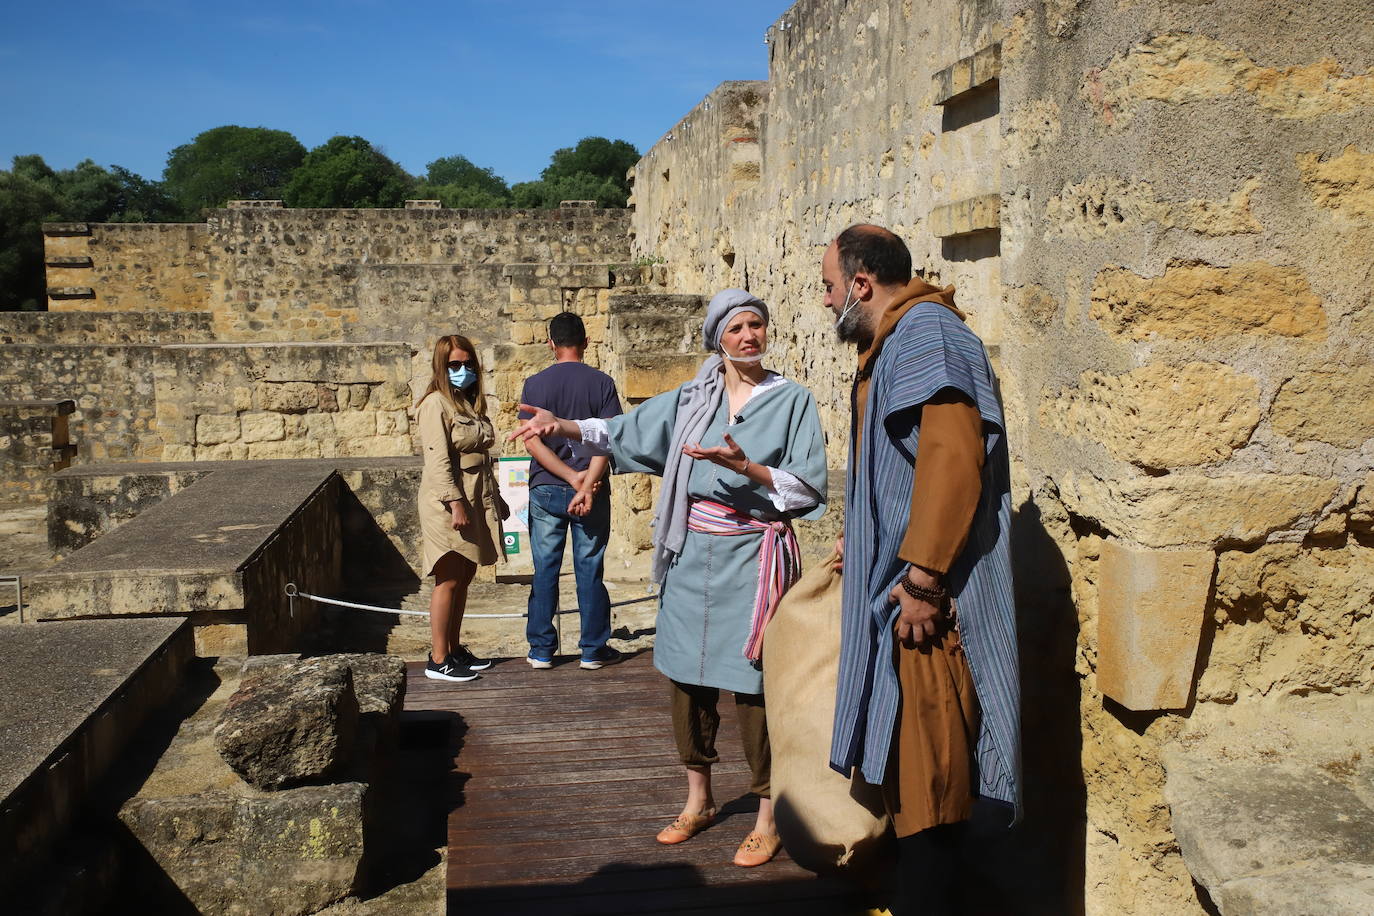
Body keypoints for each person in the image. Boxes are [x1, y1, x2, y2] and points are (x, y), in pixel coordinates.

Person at [510, 289, 827, 867]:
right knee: (686, 678)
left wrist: (748, 468)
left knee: (756, 686)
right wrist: (564, 427)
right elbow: (622, 431)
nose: (748, 336)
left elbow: (808, 488)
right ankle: (699, 799)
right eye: (736, 328)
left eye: (757, 324)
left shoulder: (793, 401)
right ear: (717, 339)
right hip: (690, 556)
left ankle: (767, 813)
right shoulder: (692, 399)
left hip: (754, 557)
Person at [823, 225, 1021, 915]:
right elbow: (904, 469)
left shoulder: (928, 337)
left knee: (932, 787)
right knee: (914, 783)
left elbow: (951, 460)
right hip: (904, 591)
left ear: (861, 284)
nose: (825, 304)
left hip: (926, 611)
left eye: (827, 288)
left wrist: (923, 579)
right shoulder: (900, 341)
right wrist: (870, 538)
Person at [517, 312, 624, 670]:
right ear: (586, 342)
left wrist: (567, 476)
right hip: (590, 488)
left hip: (547, 488)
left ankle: (541, 649)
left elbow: (532, 443)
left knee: (544, 569)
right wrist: (586, 481)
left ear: (551, 344)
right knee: (589, 567)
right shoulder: (603, 383)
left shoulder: (534, 384)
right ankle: (593, 649)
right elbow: (607, 439)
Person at [416, 334, 507, 682]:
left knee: (465, 575)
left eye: (468, 364)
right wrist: (455, 503)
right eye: (454, 365)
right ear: (442, 366)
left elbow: (480, 459)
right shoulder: (435, 404)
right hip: (448, 502)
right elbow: (438, 459)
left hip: (473, 497)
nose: (463, 370)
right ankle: (438, 659)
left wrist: (495, 500)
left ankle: (453, 649)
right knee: (449, 578)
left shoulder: (466, 403)